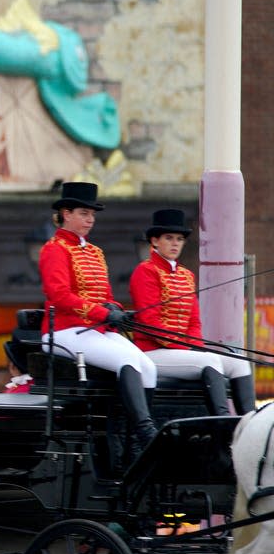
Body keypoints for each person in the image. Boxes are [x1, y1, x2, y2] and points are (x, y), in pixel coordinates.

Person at [38, 181, 158, 451]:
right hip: (64, 332)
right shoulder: (54, 249)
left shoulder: (94, 252)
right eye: (84, 213)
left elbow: (105, 293)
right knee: (128, 359)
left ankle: (134, 444)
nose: (90, 220)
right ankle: (145, 434)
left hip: (95, 330)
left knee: (148, 367)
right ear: (66, 214)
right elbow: (59, 295)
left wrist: (114, 308)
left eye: (92, 215)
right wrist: (102, 312)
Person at [129, 209, 256, 415]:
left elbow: (194, 321)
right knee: (210, 360)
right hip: (152, 352)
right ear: (154, 241)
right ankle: (223, 425)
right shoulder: (145, 271)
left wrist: (194, 346)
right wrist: (186, 347)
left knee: (240, 363)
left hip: (183, 352)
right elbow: (150, 322)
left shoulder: (186, 275)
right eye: (168, 238)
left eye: (179, 239)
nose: (175, 243)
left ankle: (248, 423)